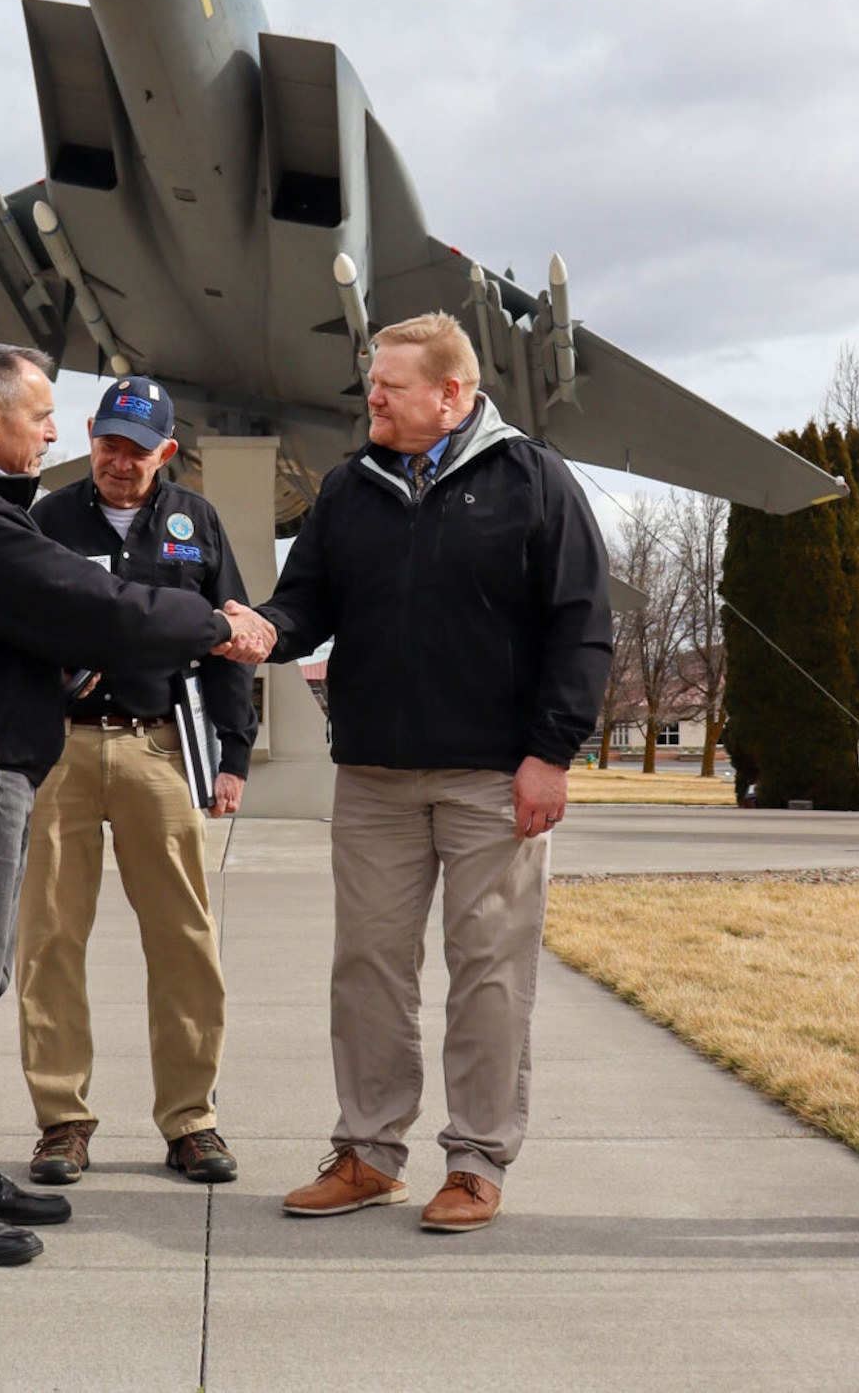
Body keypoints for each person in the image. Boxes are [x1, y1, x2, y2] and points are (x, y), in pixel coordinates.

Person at [0, 345, 270, 1267]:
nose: (57, 432)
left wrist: (230, 738)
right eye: (45, 416)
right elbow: (94, 603)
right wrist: (216, 625)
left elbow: (65, 615)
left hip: (73, 751)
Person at [222, 312, 612, 1233]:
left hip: (493, 777)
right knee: (367, 968)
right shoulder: (349, 488)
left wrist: (551, 753)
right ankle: (368, 1153)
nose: (373, 398)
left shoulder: (533, 480)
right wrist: (268, 626)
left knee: (486, 971)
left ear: (453, 394)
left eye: (391, 384)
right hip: (373, 777)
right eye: (372, 382)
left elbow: (581, 623)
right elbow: (310, 598)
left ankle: (476, 1161)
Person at [18, 378, 255, 1189]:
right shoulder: (48, 517)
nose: (119, 462)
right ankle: (62, 1121)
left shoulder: (196, 522)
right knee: (49, 937)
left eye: (137, 448)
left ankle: (192, 1120)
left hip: (160, 748)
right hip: (65, 752)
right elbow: (15, 626)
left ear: (167, 450)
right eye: (108, 443)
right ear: (90, 435)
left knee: (183, 937)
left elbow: (230, 634)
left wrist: (234, 756)